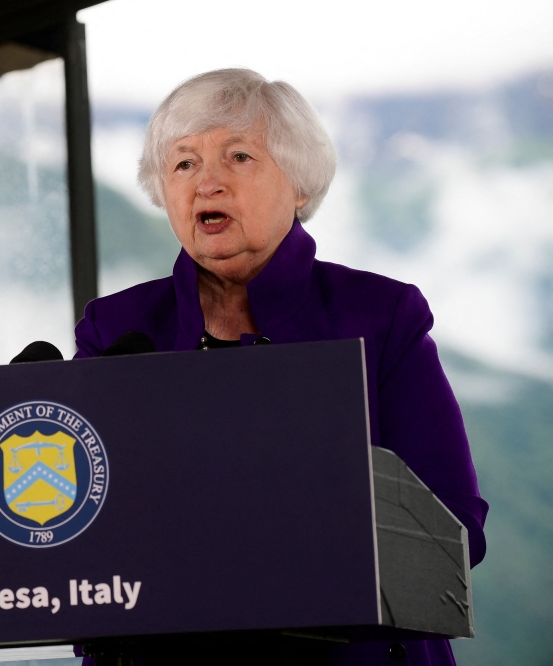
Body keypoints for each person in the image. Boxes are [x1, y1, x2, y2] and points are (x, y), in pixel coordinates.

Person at [73, 68, 488, 665]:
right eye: (183, 164)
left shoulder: (380, 316)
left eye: (237, 156)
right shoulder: (115, 329)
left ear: (298, 185)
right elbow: (86, 529)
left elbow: (454, 525)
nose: (206, 183)